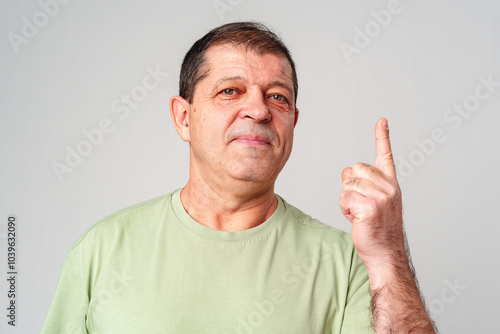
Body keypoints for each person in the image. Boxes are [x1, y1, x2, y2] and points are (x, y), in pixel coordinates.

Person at [42, 22, 436, 333]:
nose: (259, 111)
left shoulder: (348, 264)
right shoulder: (101, 250)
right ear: (183, 117)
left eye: (278, 96)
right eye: (230, 91)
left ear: (292, 123)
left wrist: (388, 255)